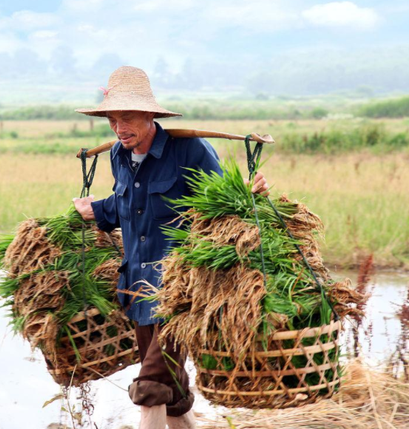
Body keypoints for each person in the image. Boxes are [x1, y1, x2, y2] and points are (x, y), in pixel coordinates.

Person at [73, 66, 269, 429]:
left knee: (149, 384)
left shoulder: (189, 151)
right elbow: (127, 206)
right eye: (113, 120)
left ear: (150, 116)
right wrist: (95, 209)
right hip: (137, 286)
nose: (119, 128)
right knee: (172, 389)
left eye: (127, 118)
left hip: (181, 290)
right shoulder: (119, 154)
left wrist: (246, 190)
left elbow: (219, 203)